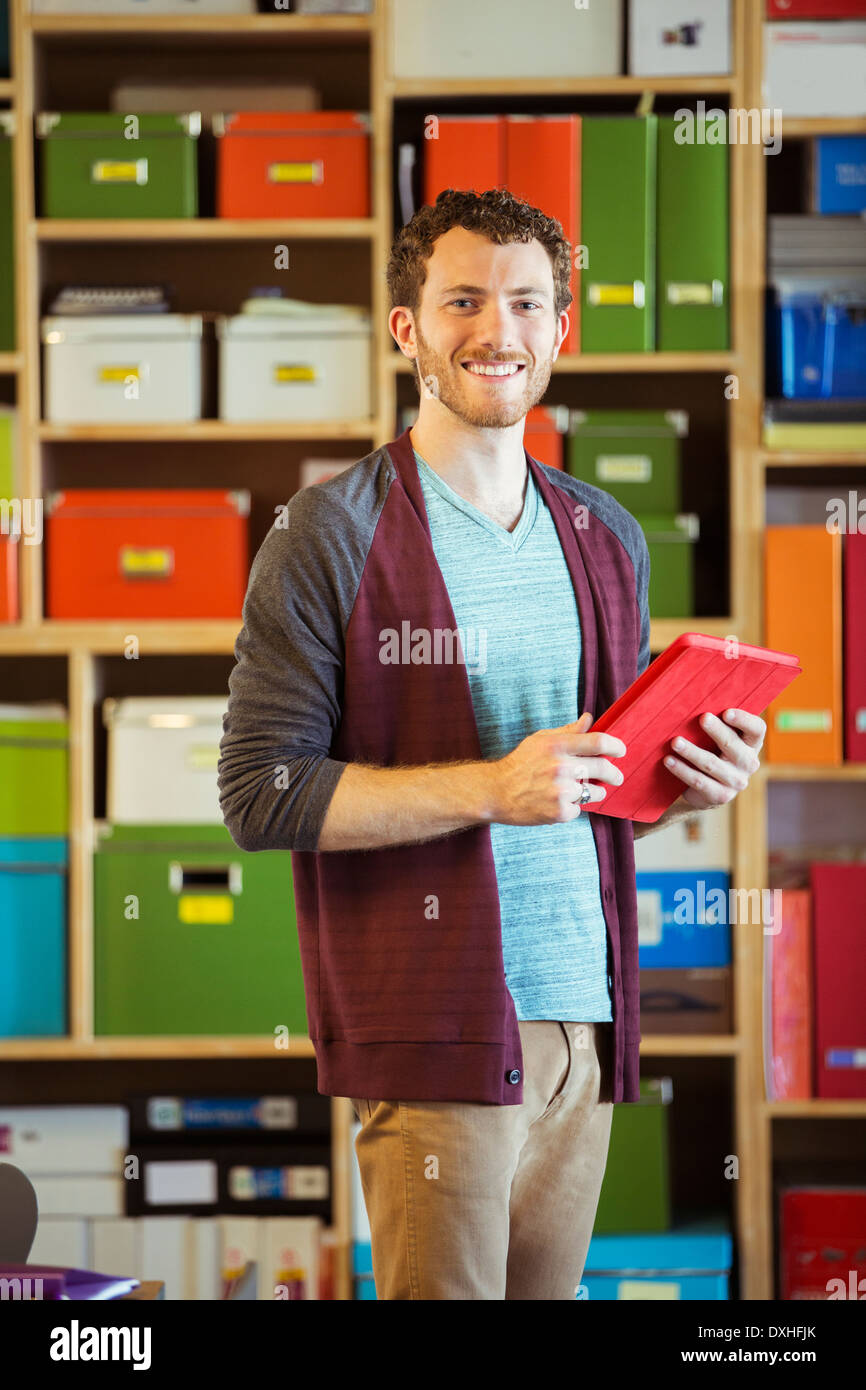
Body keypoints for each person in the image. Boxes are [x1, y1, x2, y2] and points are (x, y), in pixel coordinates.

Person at [217, 188, 766, 1300]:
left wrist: (688, 777)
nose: (496, 329)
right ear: (406, 328)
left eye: (525, 302)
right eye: (461, 299)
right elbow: (261, 791)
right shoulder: (329, 531)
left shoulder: (602, 532)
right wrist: (488, 787)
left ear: (560, 329)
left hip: (586, 1016)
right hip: (438, 1020)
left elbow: (593, 777)